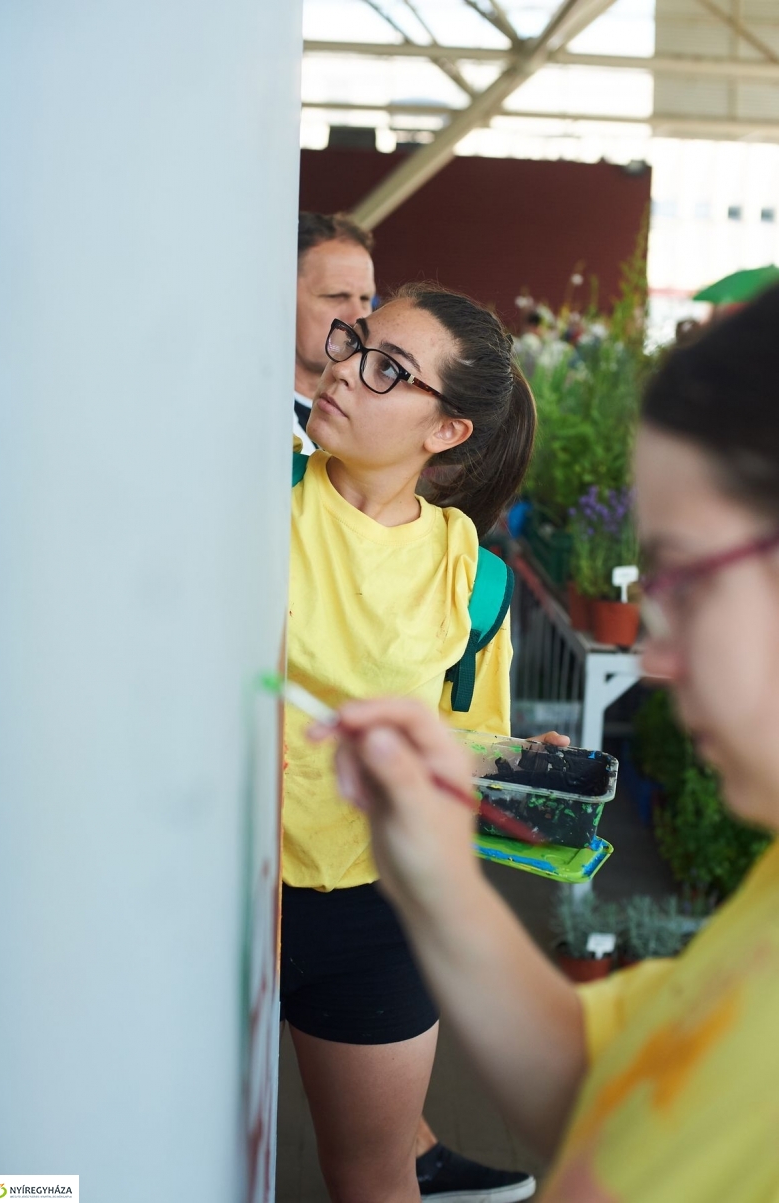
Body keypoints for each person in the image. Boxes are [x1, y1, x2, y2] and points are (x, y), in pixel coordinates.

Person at [316, 283, 779, 1201]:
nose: (654, 658)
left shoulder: (462, 566)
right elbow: (604, 1091)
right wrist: (439, 885)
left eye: (686, 581)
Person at [283, 281, 556, 1203]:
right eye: (352, 340)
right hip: (212, 895)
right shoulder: (254, 497)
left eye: (387, 368)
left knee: (375, 1175)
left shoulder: (472, 577)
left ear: (448, 431)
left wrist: (515, 767)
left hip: (373, 909)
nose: (343, 370)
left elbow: (462, 748)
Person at [294, 212, 376, 454]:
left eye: (365, 298)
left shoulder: (378, 421)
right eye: (336, 296)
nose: (359, 317)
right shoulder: (243, 411)